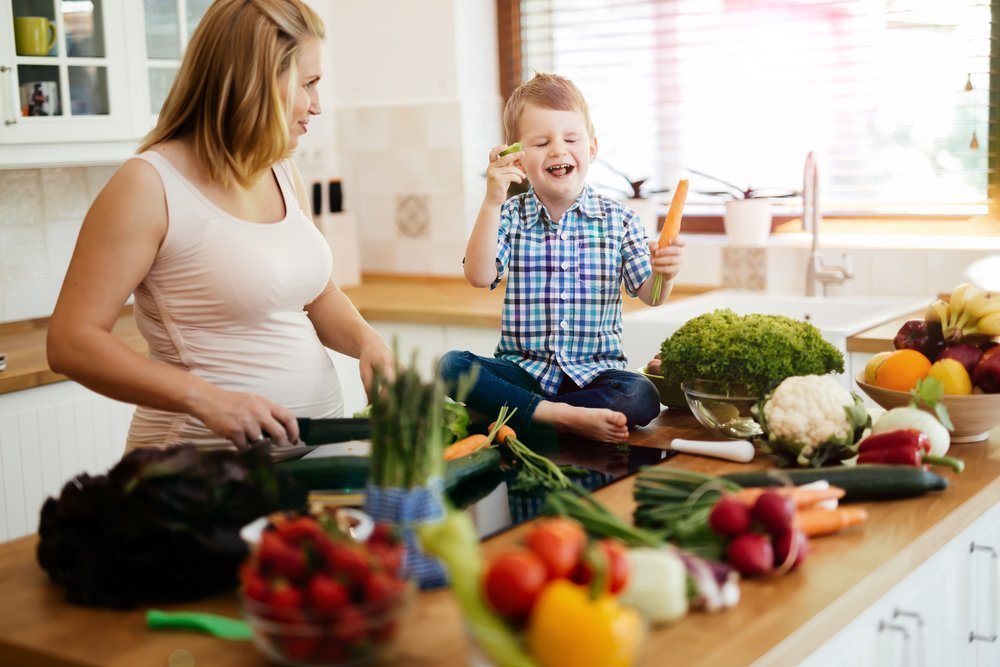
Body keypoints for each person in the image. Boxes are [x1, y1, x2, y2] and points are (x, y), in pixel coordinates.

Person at [47, 0, 393, 452]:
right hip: (196, 470)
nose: (317, 105)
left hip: (311, 463)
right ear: (255, 81)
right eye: (308, 83)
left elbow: (319, 295)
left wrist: (367, 342)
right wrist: (205, 398)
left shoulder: (279, 169)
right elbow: (71, 342)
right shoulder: (149, 185)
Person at [439, 73, 685, 444]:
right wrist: (491, 200)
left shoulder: (620, 219)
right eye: (541, 142)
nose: (557, 150)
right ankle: (561, 416)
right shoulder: (509, 215)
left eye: (571, 139)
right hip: (523, 371)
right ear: (518, 158)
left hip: (595, 374)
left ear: (592, 149)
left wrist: (666, 272)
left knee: (641, 395)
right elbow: (478, 275)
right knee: (452, 365)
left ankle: (521, 413)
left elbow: (651, 294)